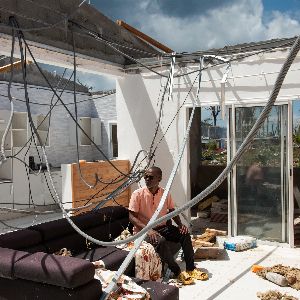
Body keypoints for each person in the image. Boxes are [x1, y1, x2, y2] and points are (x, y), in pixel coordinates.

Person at [129, 166, 208, 284]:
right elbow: (131, 216)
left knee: (185, 234)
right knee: (161, 241)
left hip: (163, 227)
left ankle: (191, 269)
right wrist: (148, 230)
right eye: (145, 176)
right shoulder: (138, 194)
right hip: (144, 230)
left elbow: (172, 211)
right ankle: (177, 272)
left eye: (150, 177)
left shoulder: (165, 193)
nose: (147, 179)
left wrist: (181, 225)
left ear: (159, 178)